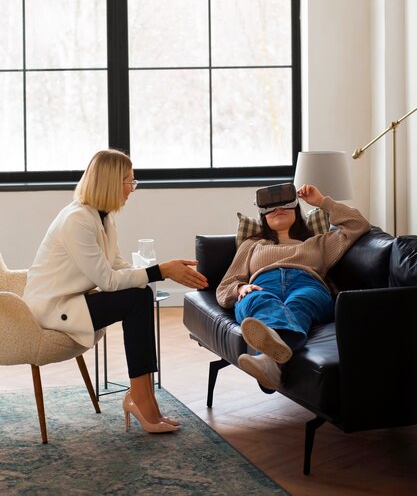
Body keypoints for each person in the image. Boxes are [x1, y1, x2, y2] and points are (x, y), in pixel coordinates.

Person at [24, 149, 208, 433]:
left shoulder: (103, 217)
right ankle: (141, 399)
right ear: (111, 182)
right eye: (129, 181)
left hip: (75, 301)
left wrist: (160, 271)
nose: (132, 189)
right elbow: (108, 281)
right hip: (53, 310)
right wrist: (162, 270)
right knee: (138, 298)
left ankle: (143, 397)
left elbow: (117, 265)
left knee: (141, 295)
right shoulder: (77, 220)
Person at [216, 184, 370, 392]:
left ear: (297, 210)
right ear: (263, 216)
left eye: (285, 205)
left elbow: (358, 224)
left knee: (300, 301)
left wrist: (322, 201)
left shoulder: (319, 243)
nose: (278, 209)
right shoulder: (253, 244)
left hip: (307, 284)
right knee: (256, 300)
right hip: (262, 287)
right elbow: (225, 287)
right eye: (272, 207)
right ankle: (272, 362)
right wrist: (240, 288)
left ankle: (268, 360)